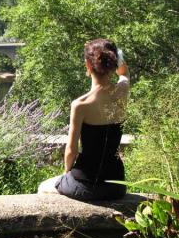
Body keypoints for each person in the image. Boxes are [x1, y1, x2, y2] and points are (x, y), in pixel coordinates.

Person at [37, 39, 129, 200]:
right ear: (113, 64)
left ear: (88, 65)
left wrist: (66, 173)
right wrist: (116, 55)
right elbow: (124, 72)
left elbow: (71, 151)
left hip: (86, 185)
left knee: (43, 187)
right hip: (117, 185)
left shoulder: (80, 104)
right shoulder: (123, 90)